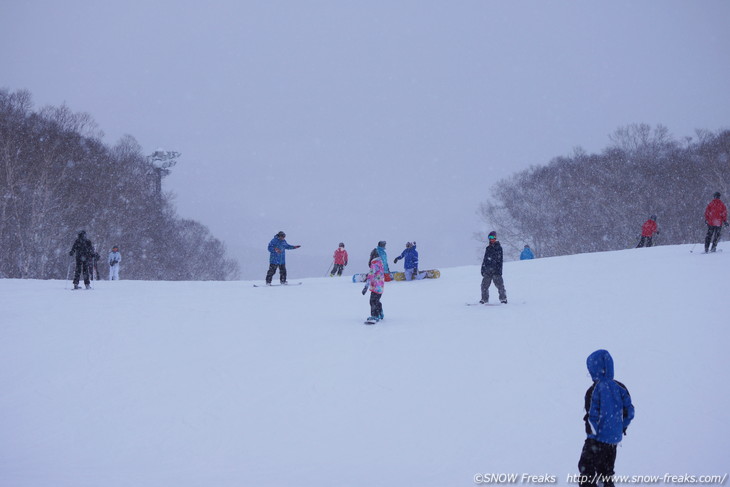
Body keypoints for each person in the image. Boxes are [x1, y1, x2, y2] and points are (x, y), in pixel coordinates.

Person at [578, 349, 635, 487]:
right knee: (606, 473)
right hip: (613, 441)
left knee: (586, 470)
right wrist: (621, 427)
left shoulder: (594, 390)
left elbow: (592, 417)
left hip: (596, 440)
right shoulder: (620, 387)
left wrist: (591, 438)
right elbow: (630, 412)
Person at [480, 231, 507, 304]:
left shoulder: (498, 248)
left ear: (495, 238)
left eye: (493, 238)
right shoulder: (488, 248)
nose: (491, 239)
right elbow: (485, 259)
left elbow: (500, 260)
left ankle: (503, 299)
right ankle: (484, 299)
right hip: (487, 270)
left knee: (500, 285)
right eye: (490, 238)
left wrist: (499, 270)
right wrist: (483, 268)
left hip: (496, 270)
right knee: (484, 285)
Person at [363, 248, 385, 322]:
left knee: (372, 301)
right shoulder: (380, 263)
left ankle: (374, 315)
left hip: (375, 286)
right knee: (377, 300)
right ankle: (380, 313)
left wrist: (366, 286)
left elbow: (371, 275)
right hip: (380, 287)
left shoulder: (374, 263)